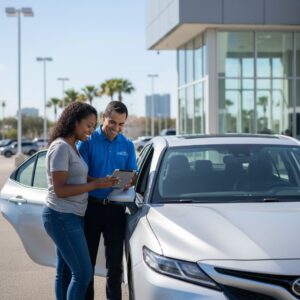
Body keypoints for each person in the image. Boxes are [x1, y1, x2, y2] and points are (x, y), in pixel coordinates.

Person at [42, 102, 118, 300]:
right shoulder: (60, 148)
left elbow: (77, 178)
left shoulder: (72, 146)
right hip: (61, 217)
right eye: (88, 125)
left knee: (65, 272)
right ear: (74, 122)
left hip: (73, 217)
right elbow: (60, 189)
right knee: (83, 273)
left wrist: (100, 181)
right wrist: (94, 186)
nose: (91, 131)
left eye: (93, 126)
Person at [77, 101, 138, 300]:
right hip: (91, 209)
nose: (116, 128)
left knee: (115, 266)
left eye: (121, 124)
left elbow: (133, 173)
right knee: (87, 264)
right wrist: (101, 182)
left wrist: (129, 180)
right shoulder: (87, 142)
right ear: (104, 118)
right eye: (112, 122)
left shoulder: (127, 145)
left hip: (116, 211)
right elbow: (79, 176)